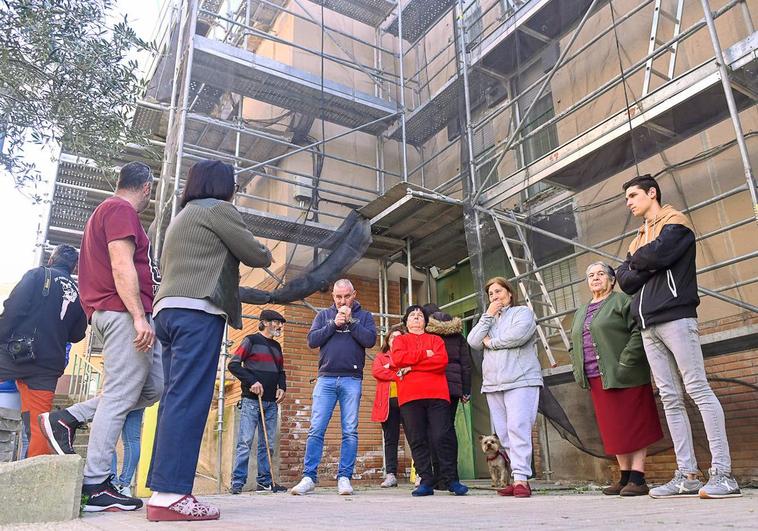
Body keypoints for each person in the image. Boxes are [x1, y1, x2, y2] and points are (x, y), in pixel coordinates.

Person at [145, 159, 272, 521]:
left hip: (167, 311)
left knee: (174, 399)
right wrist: (266, 252)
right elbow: (255, 253)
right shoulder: (219, 210)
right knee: (190, 399)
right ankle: (173, 495)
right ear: (223, 185)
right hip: (197, 312)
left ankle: (162, 491)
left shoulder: (181, 217)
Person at [39, 162, 164, 513]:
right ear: (147, 188)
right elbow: (121, 264)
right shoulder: (120, 210)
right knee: (121, 394)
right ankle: (96, 484)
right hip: (123, 312)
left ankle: (68, 417)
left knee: (153, 387)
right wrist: (139, 315)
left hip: (122, 312)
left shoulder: (109, 212)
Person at [616, 174, 740, 499]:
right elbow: (624, 280)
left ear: (651, 193)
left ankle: (724, 474)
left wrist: (641, 262)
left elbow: (654, 257)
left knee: (697, 388)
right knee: (670, 398)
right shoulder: (637, 237)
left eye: (632, 195)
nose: (628, 202)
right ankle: (687, 474)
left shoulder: (676, 223)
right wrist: (644, 262)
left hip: (676, 317)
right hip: (647, 324)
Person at [569, 261, 663, 496]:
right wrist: (576, 366)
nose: (595, 278)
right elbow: (574, 344)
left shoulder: (622, 301)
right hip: (596, 377)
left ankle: (639, 478)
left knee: (636, 423)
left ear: (612, 280)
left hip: (625, 373)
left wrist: (625, 362)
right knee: (614, 428)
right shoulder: (581, 310)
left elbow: (637, 332)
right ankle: (624, 477)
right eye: (591, 275)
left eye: (601, 274)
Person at [290, 279, 377, 496]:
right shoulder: (323, 315)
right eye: (338, 297)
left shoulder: (365, 316)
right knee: (316, 429)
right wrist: (333, 324)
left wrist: (352, 323)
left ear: (354, 294)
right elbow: (312, 340)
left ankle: (344, 477)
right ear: (333, 296)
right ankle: (309, 477)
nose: (342, 301)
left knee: (350, 431)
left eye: (346, 296)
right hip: (326, 379)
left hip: (352, 379)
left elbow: (370, 340)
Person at [0, 245, 87, 458]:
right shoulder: (78, 293)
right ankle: (30, 481)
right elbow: (78, 334)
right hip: (47, 367)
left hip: (13, 354)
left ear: (51, 259)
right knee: (39, 427)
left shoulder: (38, 275)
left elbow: (13, 309)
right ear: (74, 266)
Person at [467, 277, 542, 498]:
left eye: (499, 291)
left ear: (510, 293)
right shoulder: (489, 319)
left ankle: (521, 480)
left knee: (518, 428)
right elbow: (472, 340)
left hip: (521, 379)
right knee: (504, 434)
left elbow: (517, 336)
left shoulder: (523, 313)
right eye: (491, 294)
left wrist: (491, 342)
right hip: (493, 383)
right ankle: (514, 477)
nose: (495, 296)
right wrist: (488, 315)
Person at [390, 305, 468, 497]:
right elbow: (398, 359)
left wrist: (412, 366)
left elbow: (441, 362)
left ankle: (451, 480)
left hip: (437, 394)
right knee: (417, 439)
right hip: (410, 396)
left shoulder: (436, 339)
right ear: (406, 322)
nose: (416, 318)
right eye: (412, 315)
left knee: (442, 436)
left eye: (420, 316)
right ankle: (426, 480)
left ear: (425, 321)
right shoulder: (400, 340)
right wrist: (425, 355)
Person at [229, 309, 288, 495]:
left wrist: (282, 387)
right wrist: (251, 382)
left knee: (268, 444)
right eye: (276, 322)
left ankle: (264, 482)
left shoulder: (277, 347)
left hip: (271, 402)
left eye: (281, 323)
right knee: (245, 442)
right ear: (265, 322)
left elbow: (281, 372)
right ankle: (237, 482)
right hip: (251, 401)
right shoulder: (251, 340)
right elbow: (234, 364)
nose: (280, 326)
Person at [426, 310, 472, 490]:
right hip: (454, 388)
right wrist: (466, 390)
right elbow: (466, 366)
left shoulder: (429, 335)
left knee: (434, 431)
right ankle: (452, 475)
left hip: (433, 386)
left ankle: (440, 477)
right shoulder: (459, 337)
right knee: (447, 429)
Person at [371, 323, 406, 488]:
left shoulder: (408, 355)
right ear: (388, 340)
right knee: (390, 439)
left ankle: (420, 473)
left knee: (415, 437)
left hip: (407, 400)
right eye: (392, 337)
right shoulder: (381, 356)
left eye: (399, 337)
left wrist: (391, 370)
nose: (395, 340)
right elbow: (377, 372)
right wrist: (397, 372)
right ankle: (391, 475)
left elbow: (410, 372)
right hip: (387, 403)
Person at [111, 408, 145, 496]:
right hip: (138, 399)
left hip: (115, 399)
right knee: (132, 440)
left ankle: (112, 483)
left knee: (108, 438)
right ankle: (125, 486)